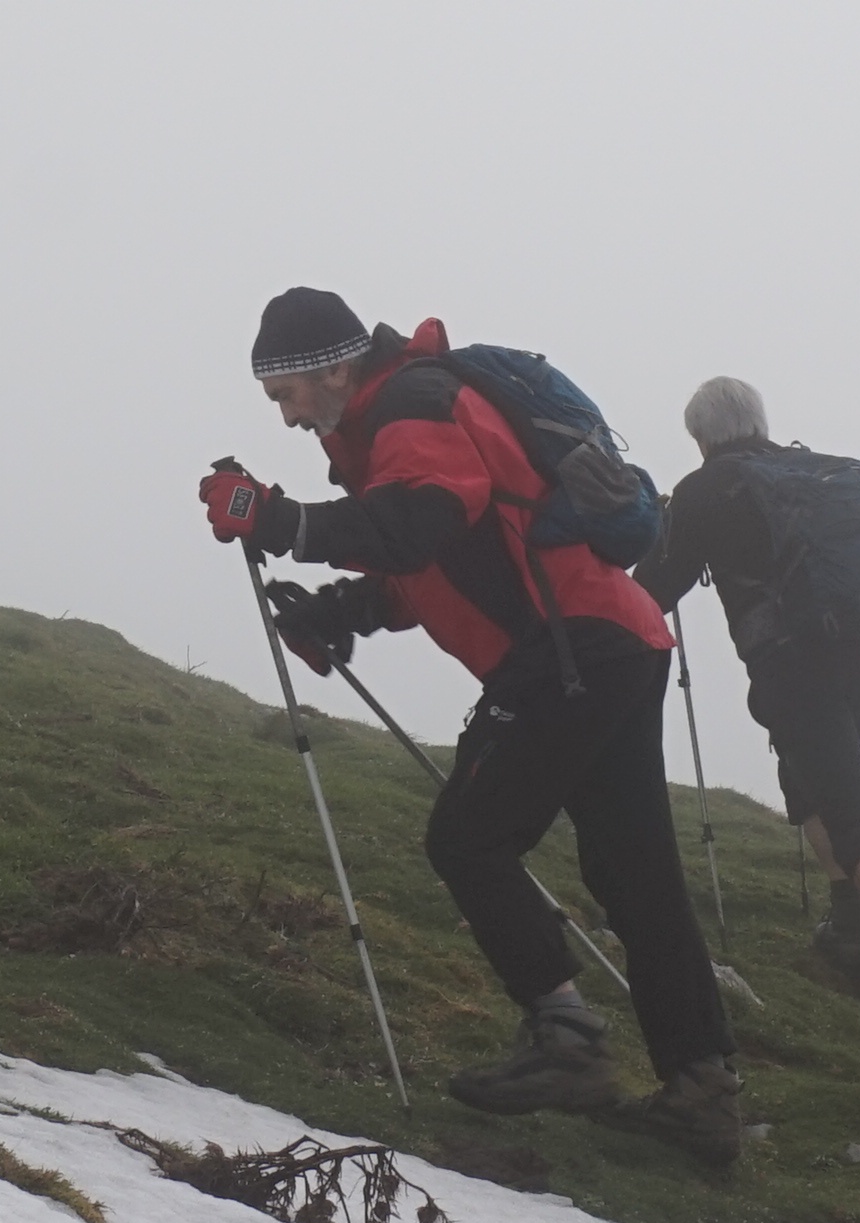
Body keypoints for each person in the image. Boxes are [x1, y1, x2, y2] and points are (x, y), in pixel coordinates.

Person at [199, 288, 739, 1165]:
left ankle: (567, 1040)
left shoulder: (411, 406)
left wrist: (279, 521)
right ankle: (702, 1092)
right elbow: (445, 560)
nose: (288, 417)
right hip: (615, 640)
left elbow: (420, 524)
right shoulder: (395, 414)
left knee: (469, 838)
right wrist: (342, 612)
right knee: (633, 872)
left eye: (286, 395)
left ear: (332, 369)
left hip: (568, 651)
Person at [638, 378, 860, 1017]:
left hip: (791, 661)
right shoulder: (839, 472)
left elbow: (655, 589)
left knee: (845, 800)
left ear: (700, 437)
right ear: (760, 420)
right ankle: (849, 924)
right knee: (809, 772)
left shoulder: (706, 490)